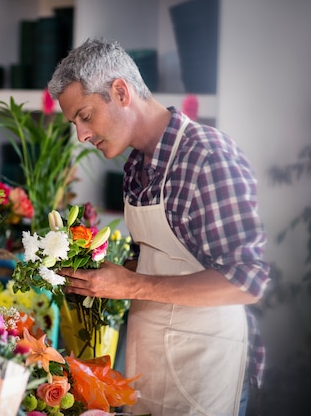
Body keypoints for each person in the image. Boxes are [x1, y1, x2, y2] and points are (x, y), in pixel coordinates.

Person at [48, 37, 270, 416]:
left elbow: (249, 280)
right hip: (150, 360)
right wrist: (97, 278)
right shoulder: (136, 165)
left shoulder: (206, 155)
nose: (82, 135)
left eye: (85, 116)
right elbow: (161, 262)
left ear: (120, 91)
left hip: (207, 367)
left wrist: (131, 284)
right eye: (74, 123)